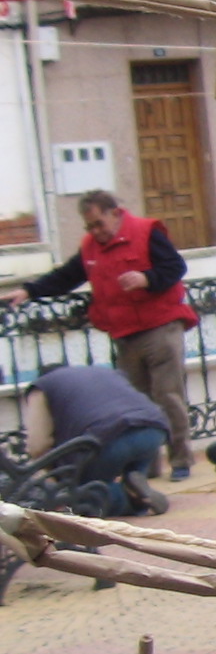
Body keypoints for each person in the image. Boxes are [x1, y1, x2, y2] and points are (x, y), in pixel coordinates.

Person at [6, 190, 197, 481]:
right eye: (90, 226)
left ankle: (180, 460)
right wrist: (29, 291)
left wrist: (146, 278)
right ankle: (147, 466)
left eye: (99, 224)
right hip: (125, 333)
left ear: (115, 213)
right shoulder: (91, 247)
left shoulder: (146, 233)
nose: (96, 231)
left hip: (160, 326)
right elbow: (67, 276)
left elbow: (174, 267)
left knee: (167, 396)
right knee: (136, 403)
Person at [23, 363, 171, 516]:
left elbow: (38, 445)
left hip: (110, 437)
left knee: (84, 495)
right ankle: (138, 488)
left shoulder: (42, 387)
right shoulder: (103, 372)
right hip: (153, 428)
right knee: (132, 473)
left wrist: (50, 472)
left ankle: (129, 499)